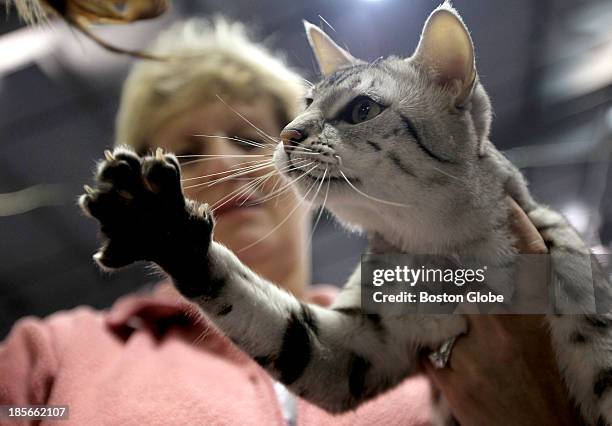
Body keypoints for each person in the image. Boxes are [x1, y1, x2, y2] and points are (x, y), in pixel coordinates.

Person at [0, 18, 582, 425]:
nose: (227, 166)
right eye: (188, 154)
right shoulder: (54, 354)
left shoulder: (426, 299)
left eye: (249, 137)